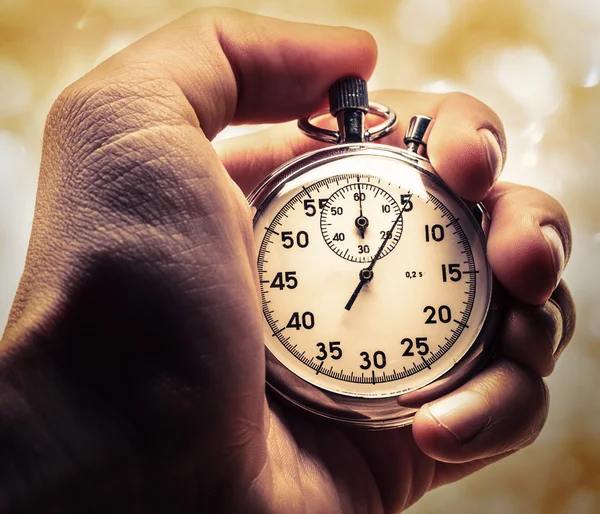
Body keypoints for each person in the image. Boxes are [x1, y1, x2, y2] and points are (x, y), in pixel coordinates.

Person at [0, 8, 575, 514]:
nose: (363, 273)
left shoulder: (426, 187)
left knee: (519, 286)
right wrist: (66, 404)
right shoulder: (244, 215)